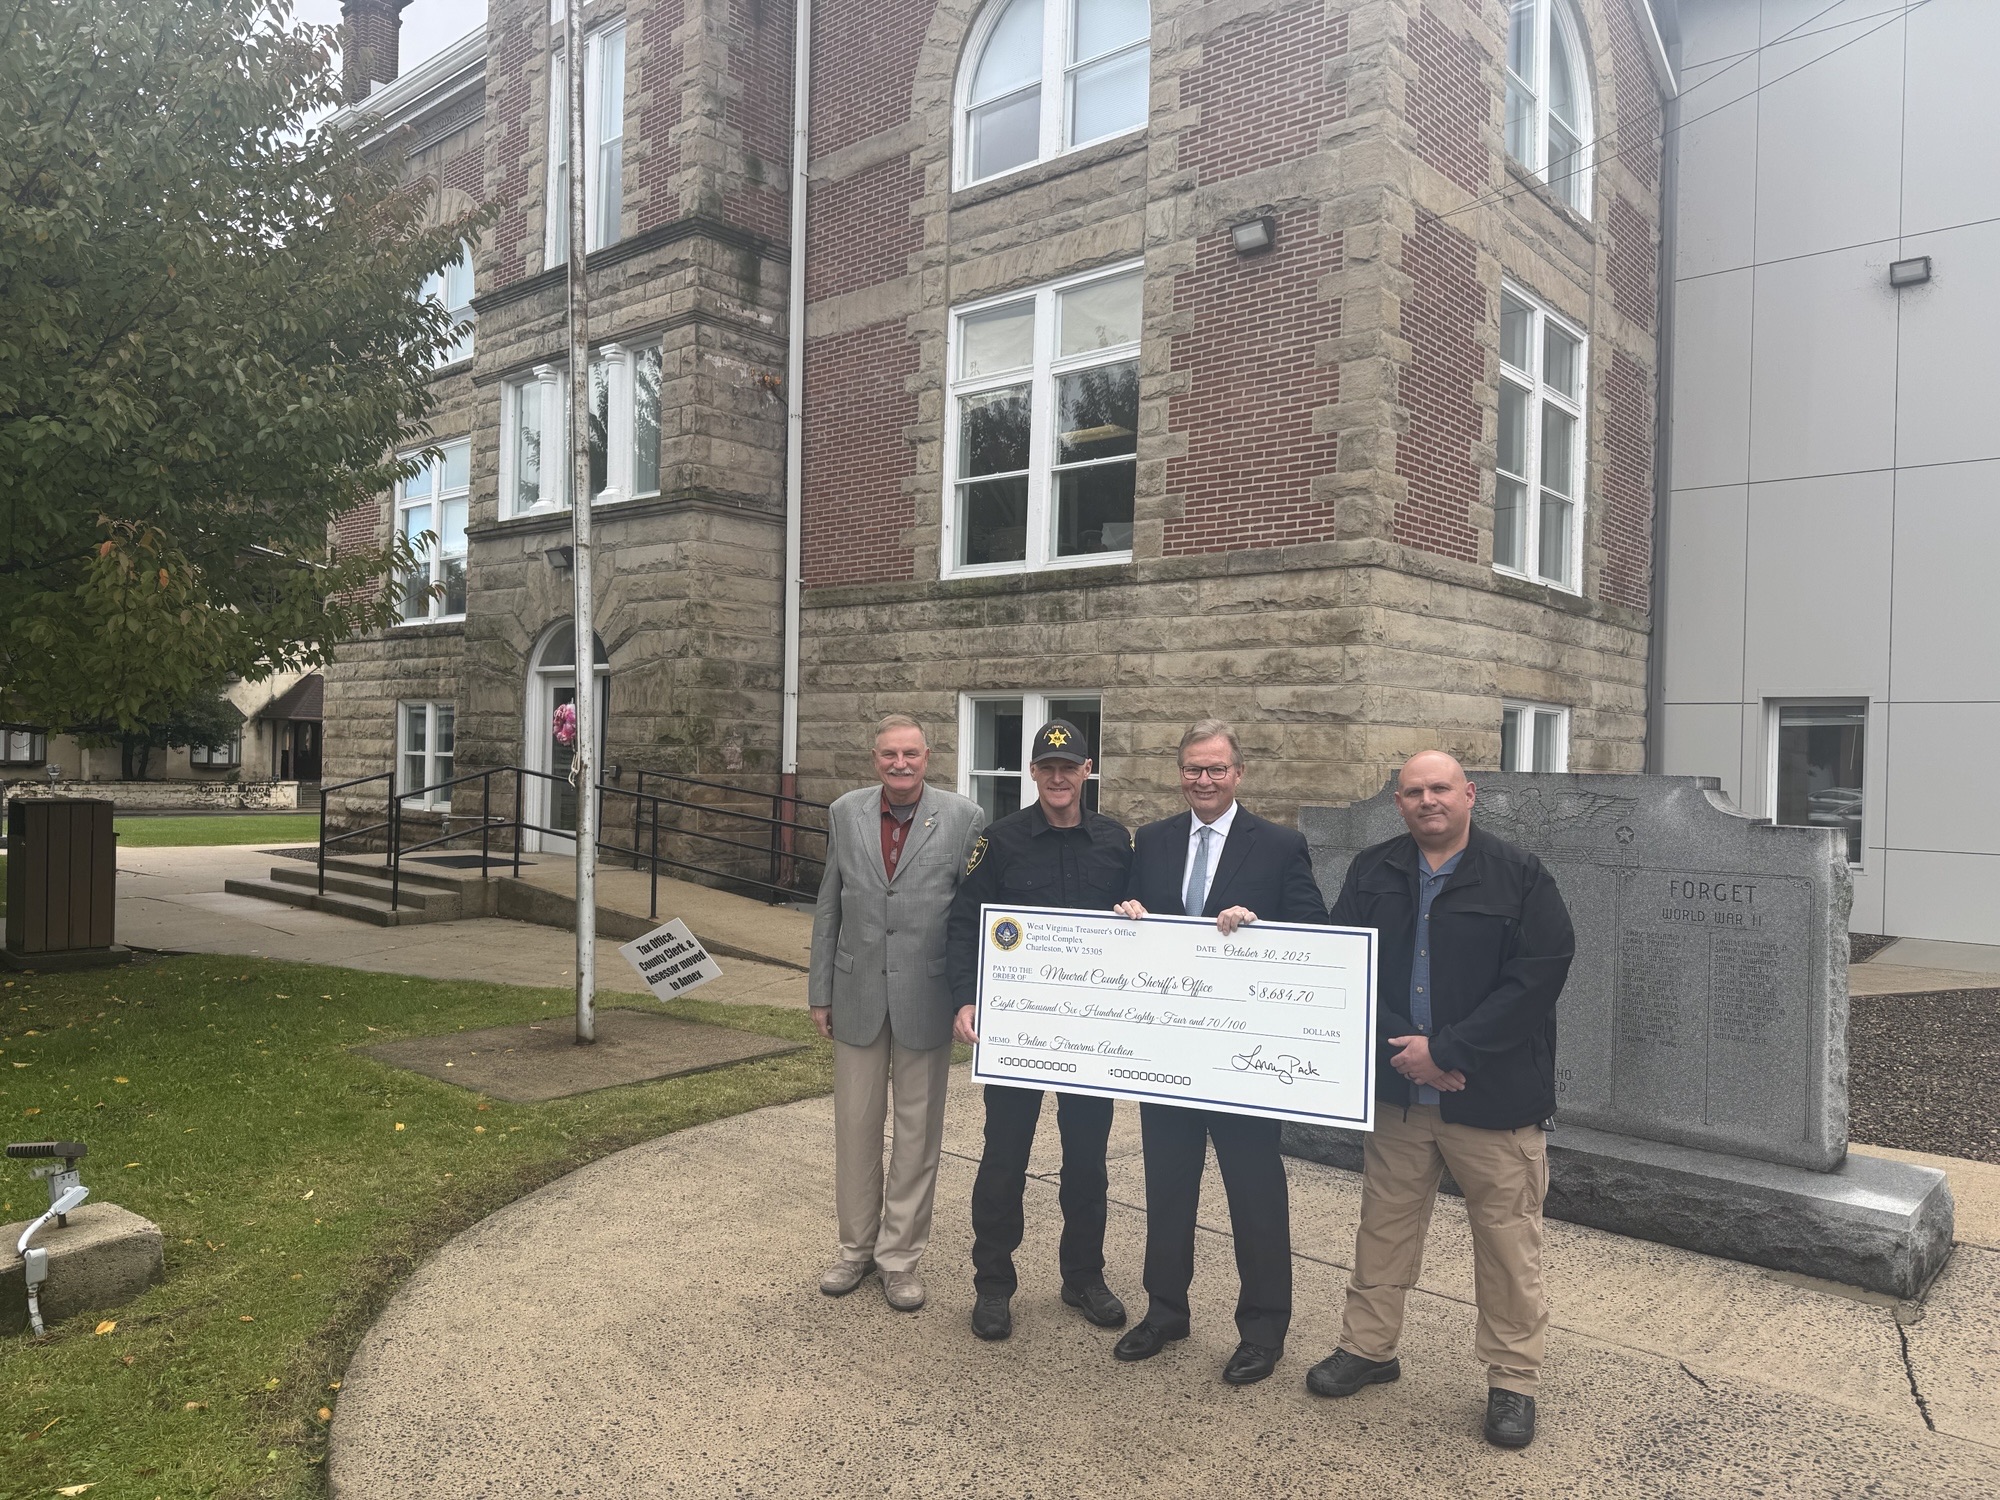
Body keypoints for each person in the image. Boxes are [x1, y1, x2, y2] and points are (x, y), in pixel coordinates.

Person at [1308, 750, 1575, 1449]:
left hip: (1493, 1098)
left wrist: (1450, 1052)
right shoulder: (1375, 870)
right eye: (1413, 791)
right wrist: (1412, 1049)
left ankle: (1513, 1380)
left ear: (1469, 795)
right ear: (1398, 803)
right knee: (1384, 1227)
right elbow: (1345, 960)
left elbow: (1538, 976)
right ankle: (1368, 1348)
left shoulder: (1518, 874)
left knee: (1508, 1241)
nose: (1428, 800)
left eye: (1440, 789)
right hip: (1400, 1092)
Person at [1109, 719, 1328, 1385]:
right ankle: (1166, 1309)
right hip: (1170, 1051)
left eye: (1216, 769)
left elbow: (1315, 932)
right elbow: (1126, 916)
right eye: (1192, 769)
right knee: (1167, 1186)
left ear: (1238, 773)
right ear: (1180, 773)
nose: (1203, 780)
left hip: (1243, 1059)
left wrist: (1261, 930)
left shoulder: (1281, 844)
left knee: (1255, 1193)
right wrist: (1127, 914)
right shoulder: (1152, 840)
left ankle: (1263, 1330)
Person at [946, 720, 1133, 1343]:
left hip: (1090, 1037)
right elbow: (964, 924)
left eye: (1070, 767)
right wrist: (965, 998)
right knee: (1004, 1158)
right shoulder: (997, 841)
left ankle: (1083, 1277)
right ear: (1033, 773)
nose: (1059, 777)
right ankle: (993, 1285)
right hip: (1018, 1031)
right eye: (1047, 768)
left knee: (1087, 1162)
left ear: (1086, 772)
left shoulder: (1115, 841)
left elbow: (1141, 927)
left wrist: (1138, 915)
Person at [809, 714, 986, 1312]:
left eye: (910, 754)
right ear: (875, 758)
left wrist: (970, 993)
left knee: (917, 1135)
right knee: (855, 1128)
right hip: (857, 995)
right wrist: (820, 991)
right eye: (889, 754)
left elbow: (968, 916)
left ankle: (900, 1259)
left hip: (926, 997)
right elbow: (829, 904)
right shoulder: (845, 812)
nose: (900, 764)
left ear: (927, 756)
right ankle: (854, 1249)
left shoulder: (963, 818)